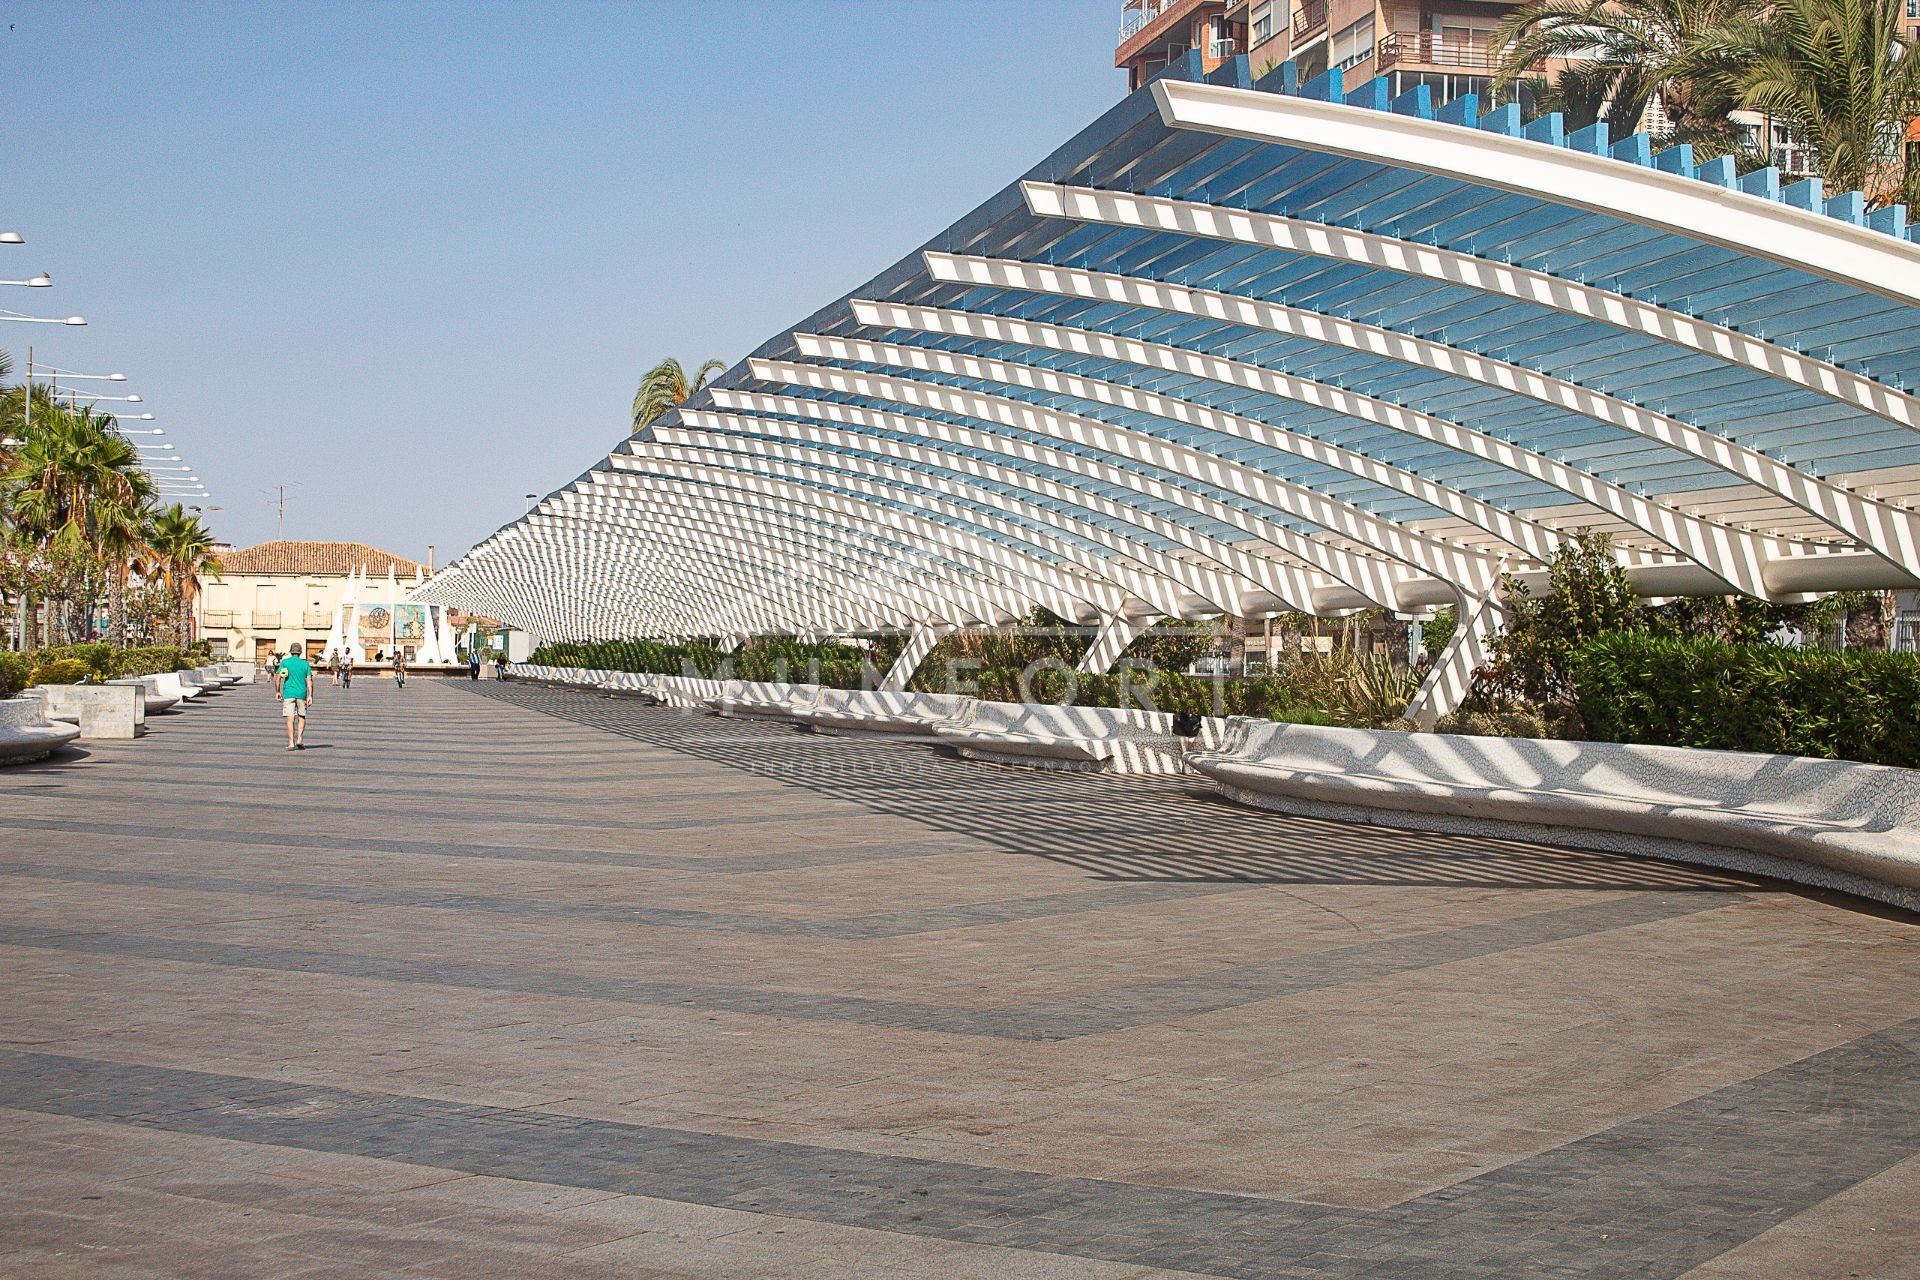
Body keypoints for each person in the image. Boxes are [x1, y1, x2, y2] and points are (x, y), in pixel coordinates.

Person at [275, 646, 316, 751]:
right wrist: (310, 695)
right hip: (302, 693)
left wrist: (278, 691)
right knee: (302, 716)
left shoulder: (285, 662)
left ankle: (291, 743)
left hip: (288, 693)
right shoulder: (305, 664)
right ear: (300, 652)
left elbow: (278, 677)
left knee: (290, 718)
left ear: (291, 652)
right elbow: (309, 680)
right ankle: (299, 739)